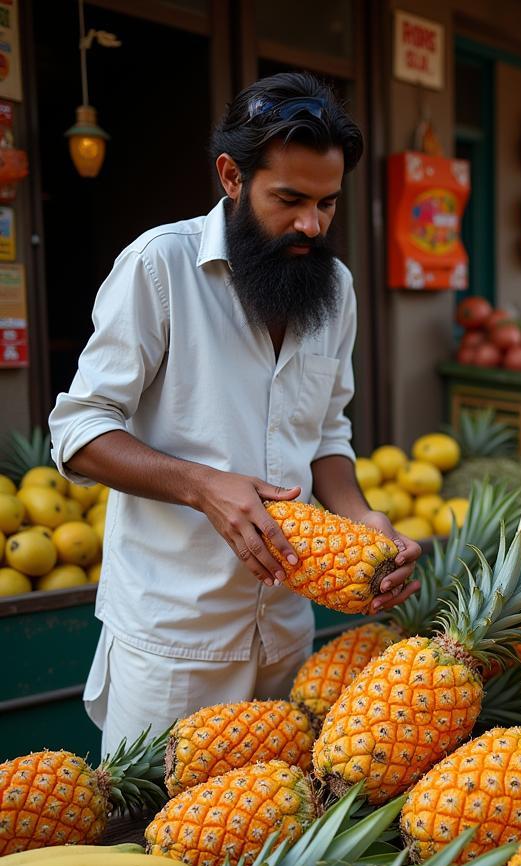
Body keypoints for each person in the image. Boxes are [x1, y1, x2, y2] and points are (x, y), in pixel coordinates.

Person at [48, 72, 422, 755]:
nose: (311, 224)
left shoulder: (335, 289)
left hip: (286, 633)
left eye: (328, 204)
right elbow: (77, 433)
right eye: (289, 200)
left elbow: (327, 433)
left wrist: (362, 515)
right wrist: (204, 486)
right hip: (175, 643)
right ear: (231, 175)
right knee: (152, 842)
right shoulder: (159, 267)